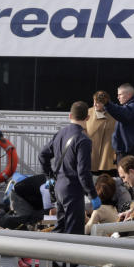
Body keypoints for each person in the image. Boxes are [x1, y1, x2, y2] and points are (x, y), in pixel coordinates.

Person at [38, 101, 101, 236]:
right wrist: (93, 195)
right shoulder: (83, 140)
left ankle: (52, 256)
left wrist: (48, 175)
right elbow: (83, 172)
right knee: (74, 233)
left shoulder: (60, 133)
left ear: (70, 116)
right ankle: (64, 257)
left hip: (59, 187)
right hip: (73, 190)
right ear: (88, 118)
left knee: (60, 227)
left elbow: (43, 155)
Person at [96, 83, 134, 162]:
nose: (118, 97)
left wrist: (108, 104)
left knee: (125, 174)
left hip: (126, 151)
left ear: (128, 95)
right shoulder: (132, 106)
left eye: (120, 94)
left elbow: (122, 113)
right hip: (124, 150)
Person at [86, 90, 117, 176]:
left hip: (108, 154)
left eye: (98, 102)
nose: (95, 104)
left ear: (105, 103)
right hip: (92, 154)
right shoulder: (88, 112)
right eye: (94, 101)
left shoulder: (114, 113)